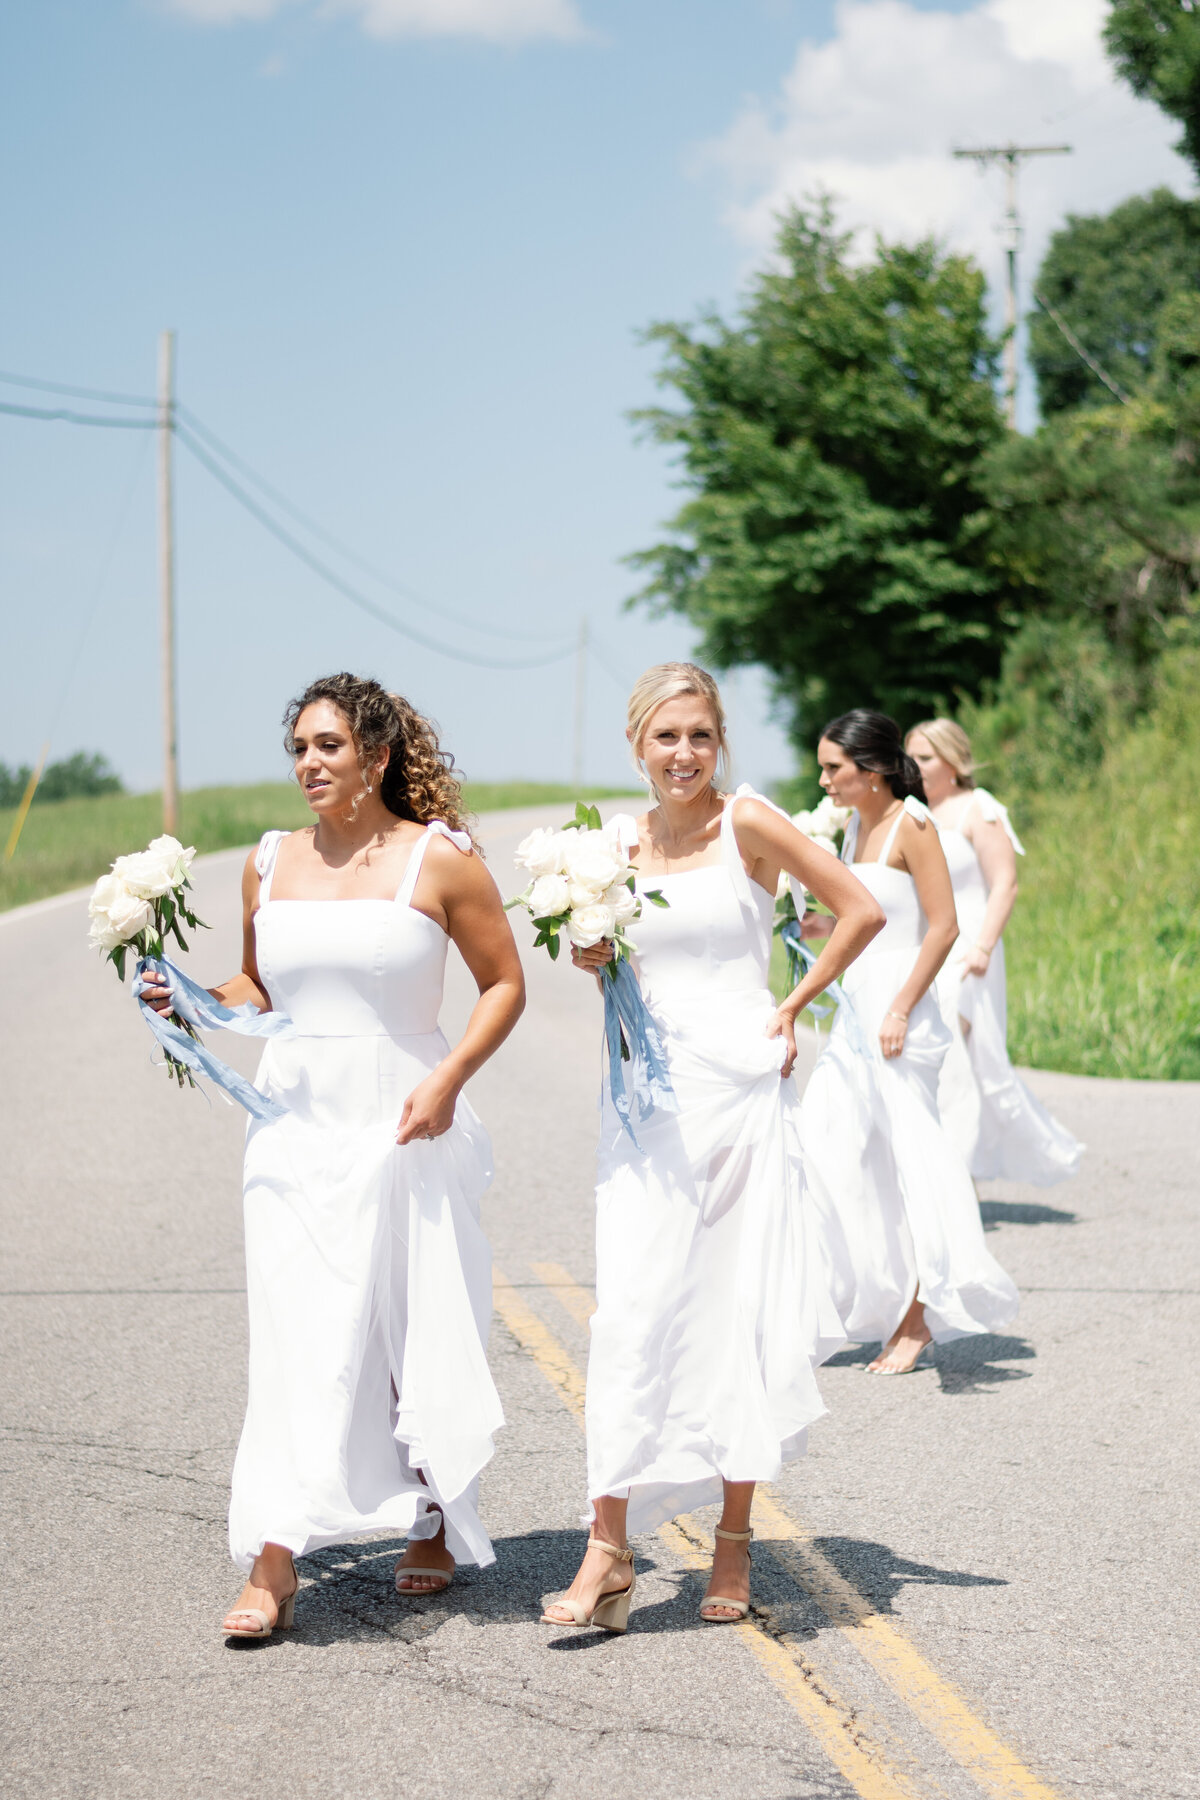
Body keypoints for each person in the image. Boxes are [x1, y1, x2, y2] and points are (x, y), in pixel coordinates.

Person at [140, 673, 525, 1640]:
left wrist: (449, 1082)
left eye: (329, 748)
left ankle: (432, 1508)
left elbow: (504, 985)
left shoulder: (440, 860)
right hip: (291, 1117)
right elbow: (262, 985)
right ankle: (274, 1558)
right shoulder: (268, 863)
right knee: (294, 1330)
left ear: (379, 757)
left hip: (404, 1110)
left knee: (402, 1323)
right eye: (300, 750)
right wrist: (188, 997)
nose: (310, 765)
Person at [541, 663, 883, 1633]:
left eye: (699, 735)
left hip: (739, 1095)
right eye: (665, 737)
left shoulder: (750, 824)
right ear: (636, 746)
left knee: (733, 1312)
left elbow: (860, 908)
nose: (683, 753)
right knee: (634, 1315)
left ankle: (733, 1542)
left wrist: (790, 1006)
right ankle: (607, 1550)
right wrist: (590, 949)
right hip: (646, 1108)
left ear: (718, 741)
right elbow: (587, 953)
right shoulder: (607, 848)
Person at [798, 710, 1019, 1376]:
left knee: (910, 1158)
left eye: (833, 767)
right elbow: (859, 917)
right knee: (827, 1148)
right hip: (855, 1007)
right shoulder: (853, 828)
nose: (824, 779)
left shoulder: (913, 824)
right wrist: (811, 924)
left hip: (903, 1008)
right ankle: (857, 1299)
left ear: (870, 770)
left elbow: (943, 928)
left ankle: (922, 1315)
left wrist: (900, 1007)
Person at [906, 718, 1081, 1185]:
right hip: (928, 944)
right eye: (912, 758)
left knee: (961, 1057)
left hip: (969, 948)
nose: (916, 767)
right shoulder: (915, 813)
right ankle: (939, 1165)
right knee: (934, 1052)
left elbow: (1005, 882)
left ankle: (955, 1176)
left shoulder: (976, 808)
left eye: (925, 757)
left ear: (953, 761)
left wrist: (982, 945)